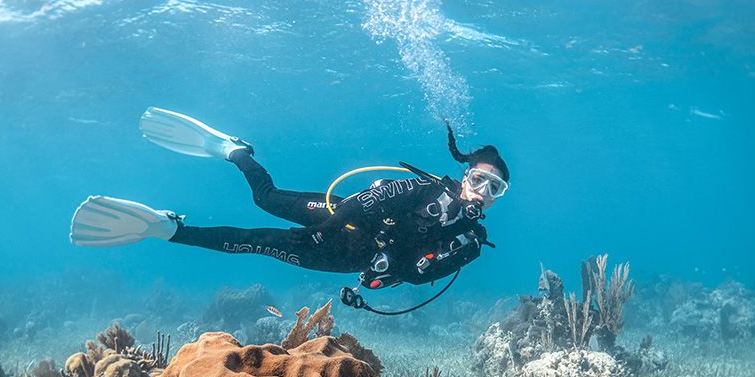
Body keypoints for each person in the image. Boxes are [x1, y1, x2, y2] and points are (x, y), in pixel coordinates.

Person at [70, 109, 509, 293]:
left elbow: (417, 277)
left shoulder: (471, 240)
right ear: (465, 174)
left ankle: (167, 229)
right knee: (266, 199)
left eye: (495, 189)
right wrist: (324, 230)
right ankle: (233, 150)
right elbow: (360, 204)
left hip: (344, 257)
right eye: (479, 179)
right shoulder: (423, 190)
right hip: (338, 220)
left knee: (257, 239)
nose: (483, 193)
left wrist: (392, 269)